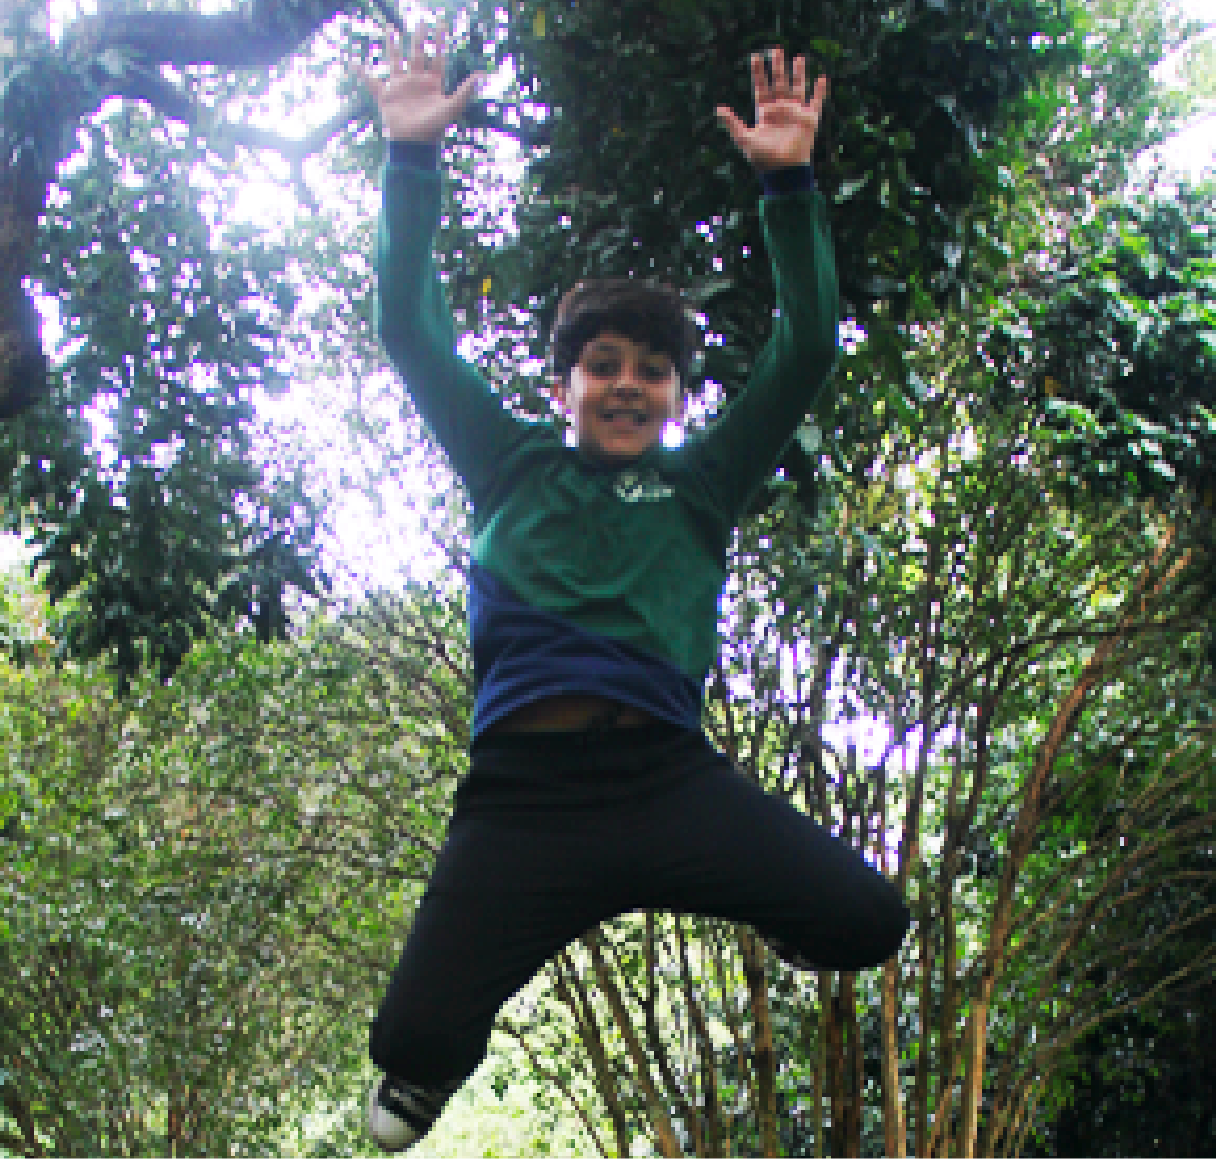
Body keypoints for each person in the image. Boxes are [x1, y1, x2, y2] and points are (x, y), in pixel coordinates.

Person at [355, 19, 911, 1151]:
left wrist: (790, 181)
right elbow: (407, 329)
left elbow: (806, 346)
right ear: (562, 383)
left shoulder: (702, 484)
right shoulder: (508, 462)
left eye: (650, 370)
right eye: (601, 366)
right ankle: (428, 1069)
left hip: (668, 780)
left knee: (867, 920)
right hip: (522, 798)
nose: (626, 385)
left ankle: (776, 903)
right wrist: (409, 156)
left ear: (674, 394)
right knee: (403, 1062)